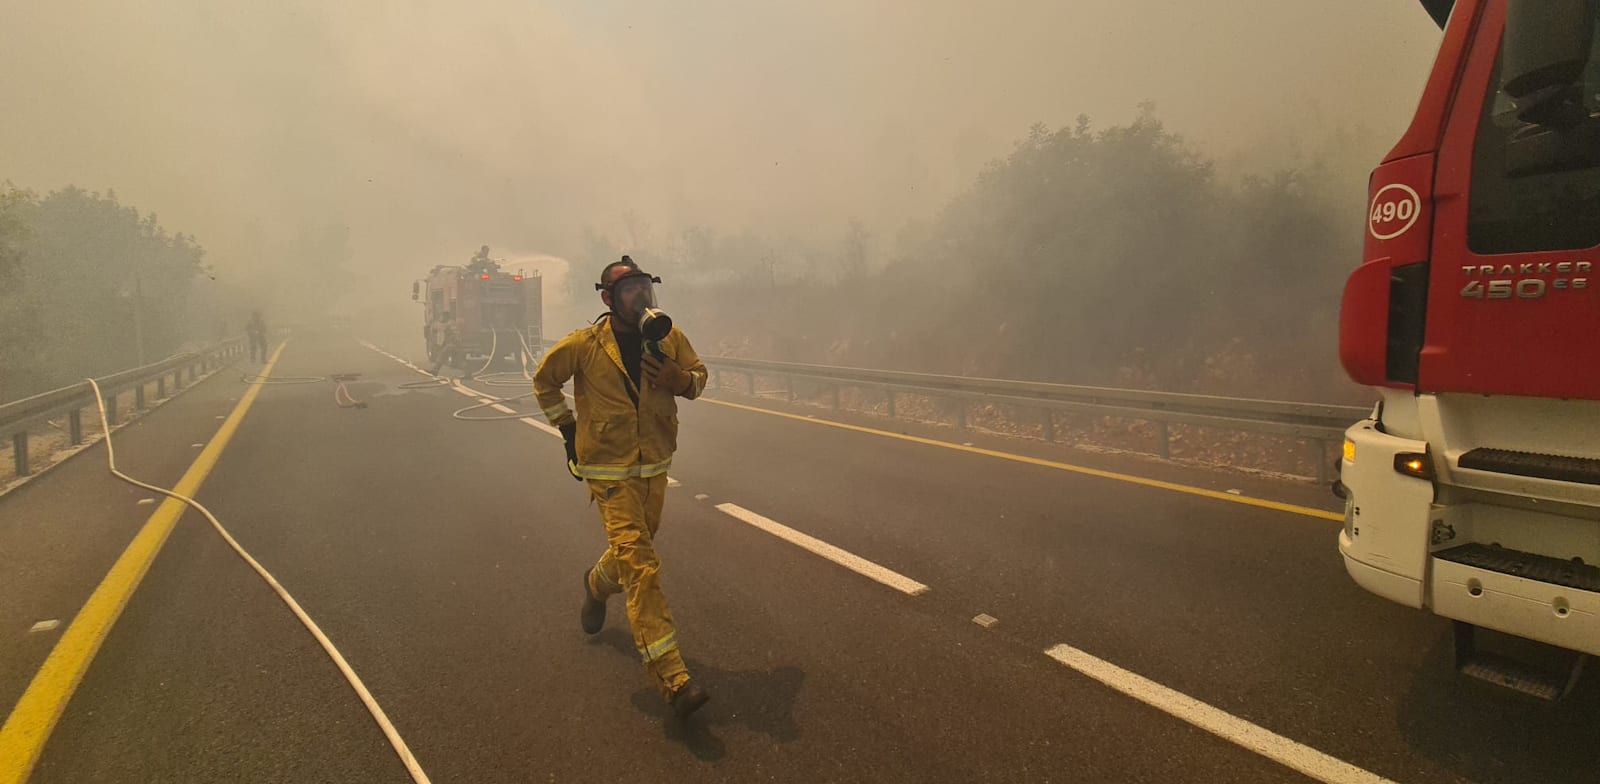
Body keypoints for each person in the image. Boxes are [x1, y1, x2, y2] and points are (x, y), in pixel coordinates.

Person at [533, 256, 711, 717]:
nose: (639, 296)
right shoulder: (585, 345)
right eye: (628, 289)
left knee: (638, 547)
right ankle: (673, 678)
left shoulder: (668, 338)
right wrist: (569, 431)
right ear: (608, 299)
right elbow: (544, 383)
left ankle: (595, 585)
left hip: (654, 469)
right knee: (641, 566)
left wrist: (680, 380)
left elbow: (699, 377)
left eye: (643, 286)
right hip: (609, 475)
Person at [428, 311, 460, 377]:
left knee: (442, 355)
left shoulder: (450, 323)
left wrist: (432, 324)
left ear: (445, 317)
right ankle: (468, 372)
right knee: (458, 360)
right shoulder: (449, 323)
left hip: (452, 344)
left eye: (442, 316)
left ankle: (435, 371)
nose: (441, 318)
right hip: (451, 344)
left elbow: (442, 327)